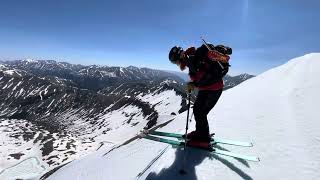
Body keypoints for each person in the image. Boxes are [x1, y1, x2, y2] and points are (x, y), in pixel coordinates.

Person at [168, 43, 231, 142]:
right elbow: (203, 75)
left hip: (213, 89)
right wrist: (194, 83)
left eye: (175, 62)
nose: (177, 64)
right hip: (209, 88)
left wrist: (194, 84)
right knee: (198, 110)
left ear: (178, 58)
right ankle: (201, 133)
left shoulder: (190, 60)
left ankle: (203, 137)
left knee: (200, 112)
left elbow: (204, 78)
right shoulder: (195, 54)